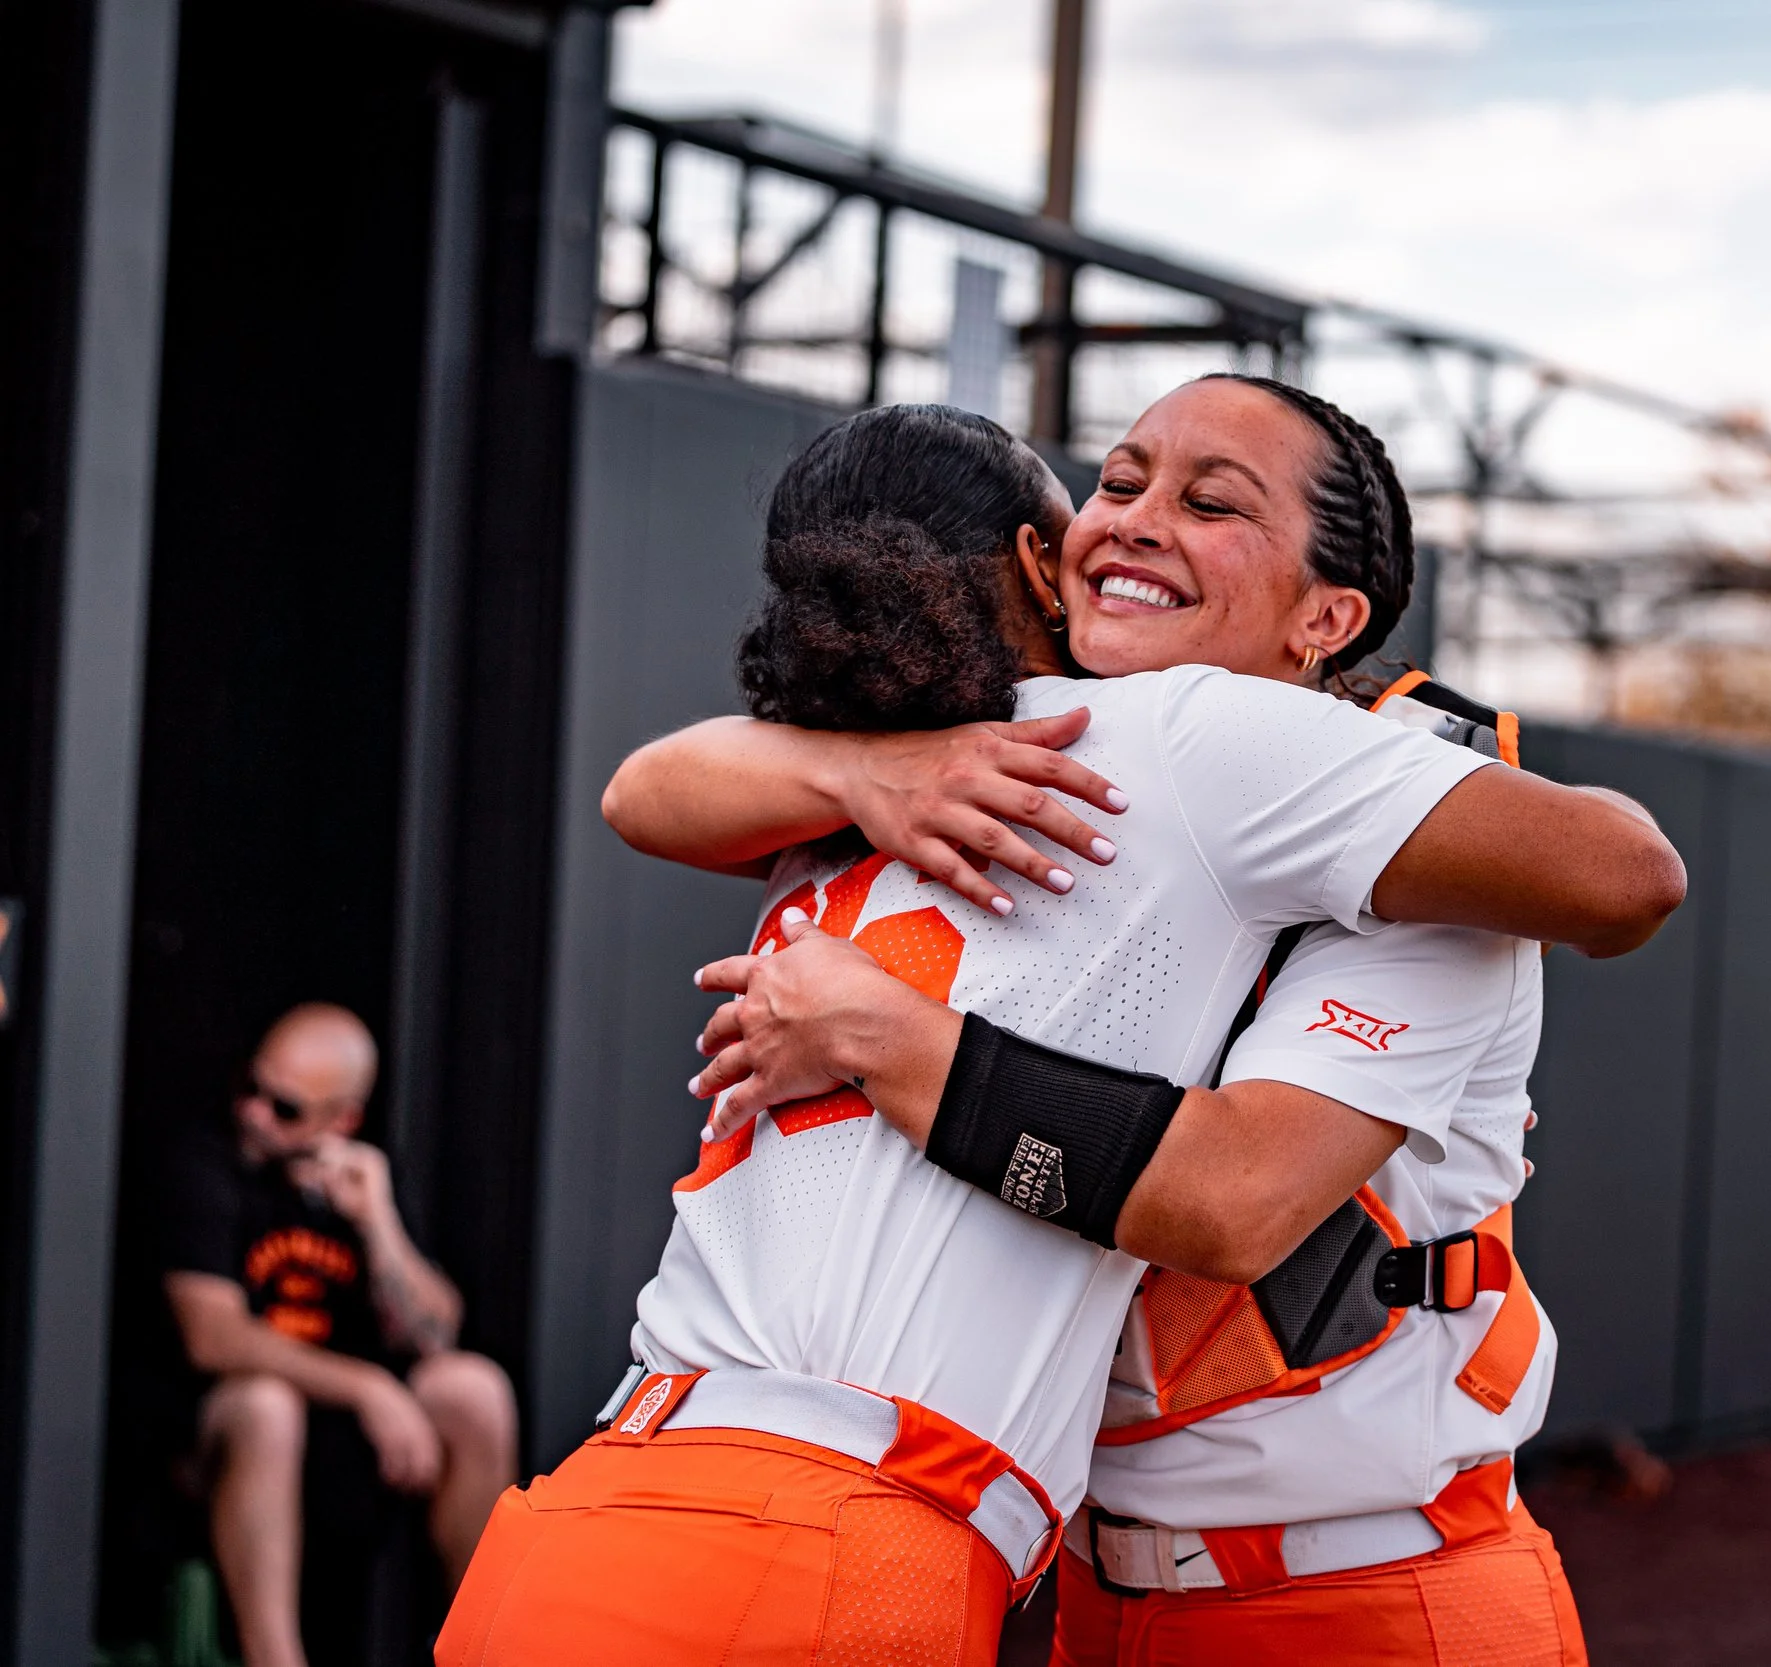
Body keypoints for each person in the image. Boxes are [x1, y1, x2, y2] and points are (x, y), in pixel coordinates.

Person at [439, 392, 1671, 1664]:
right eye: (1119, 482)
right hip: (1039, 1575)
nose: (1134, 522)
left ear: (1328, 616)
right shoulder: (990, 752)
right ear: (1044, 549)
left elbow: (1234, 1199)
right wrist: (860, 768)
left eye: (1210, 502)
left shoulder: (1381, 810)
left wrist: (889, 1032)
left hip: (1365, 1582)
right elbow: (649, 786)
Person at [161, 1002, 517, 1667]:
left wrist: (378, 1219)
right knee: (267, 1404)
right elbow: (211, 1335)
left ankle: (478, 1650)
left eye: (285, 1108)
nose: (255, 1112)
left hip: (350, 1448)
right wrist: (368, 1387)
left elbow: (436, 1332)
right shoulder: (206, 1161)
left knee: (474, 1389)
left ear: (340, 1120)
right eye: (251, 1086)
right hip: (225, 1444)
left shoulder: (358, 1178)